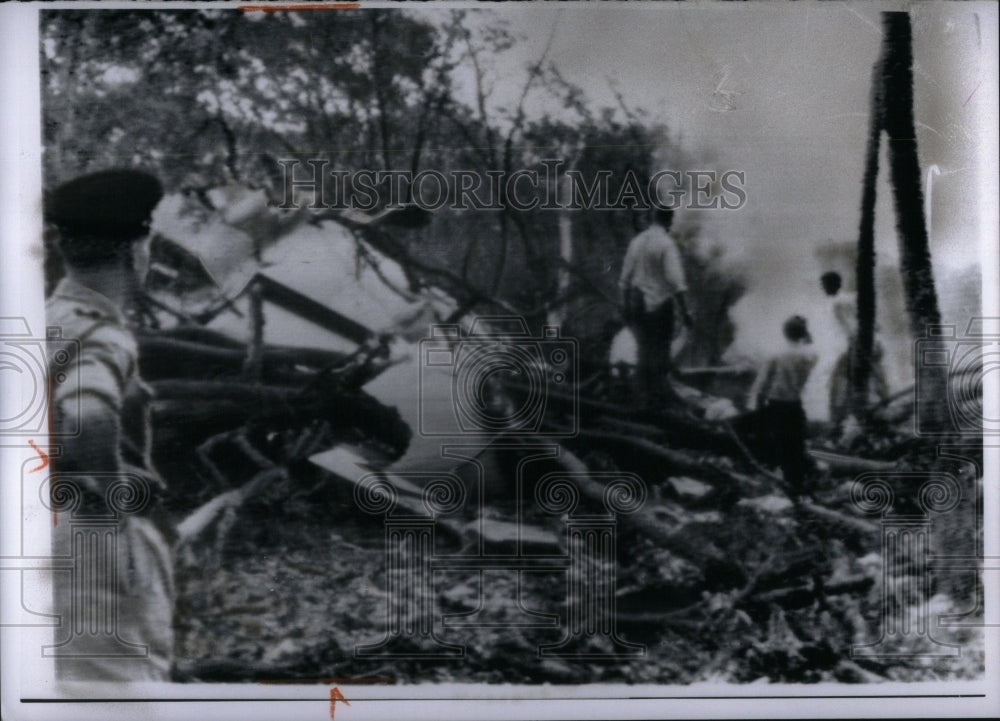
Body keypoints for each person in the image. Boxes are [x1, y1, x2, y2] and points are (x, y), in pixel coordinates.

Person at [45, 169, 174, 681]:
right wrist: (118, 499)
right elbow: (90, 412)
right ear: (134, 250)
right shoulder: (103, 336)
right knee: (123, 696)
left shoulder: (44, 320)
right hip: (95, 541)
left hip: (41, 534)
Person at [618, 207, 693, 406]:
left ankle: (642, 397)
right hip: (659, 307)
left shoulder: (637, 242)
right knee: (660, 353)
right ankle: (658, 400)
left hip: (638, 305)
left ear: (653, 218)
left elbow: (624, 280)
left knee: (643, 352)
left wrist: (625, 306)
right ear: (669, 221)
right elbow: (677, 283)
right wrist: (686, 312)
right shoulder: (666, 244)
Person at [746, 315, 818, 497]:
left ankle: (777, 482)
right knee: (795, 444)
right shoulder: (809, 355)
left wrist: (758, 406)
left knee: (776, 443)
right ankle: (796, 483)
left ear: (785, 333)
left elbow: (762, 383)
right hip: (795, 404)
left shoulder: (777, 354)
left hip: (776, 404)